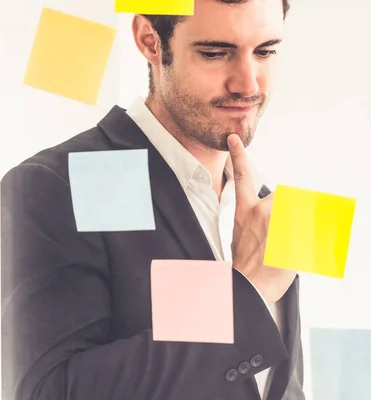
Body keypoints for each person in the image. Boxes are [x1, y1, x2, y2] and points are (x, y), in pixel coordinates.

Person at [1, 0, 305, 399]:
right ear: (149, 40)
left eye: (265, 51)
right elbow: (50, 392)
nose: (248, 84)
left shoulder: (265, 207)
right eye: (215, 53)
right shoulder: (57, 186)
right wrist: (245, 292)